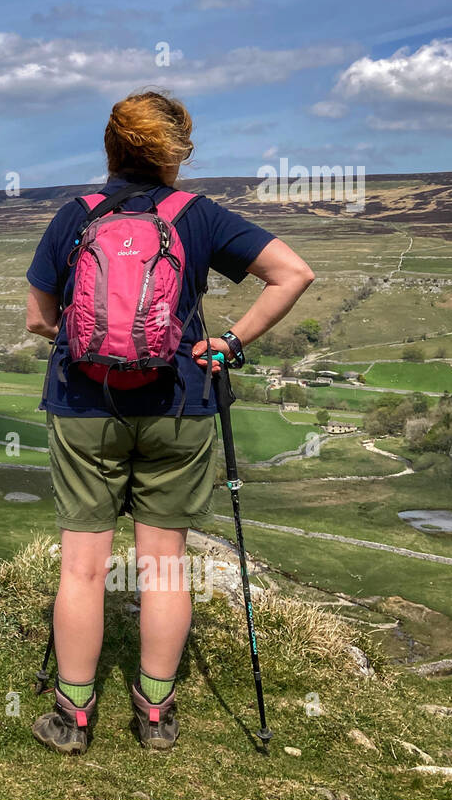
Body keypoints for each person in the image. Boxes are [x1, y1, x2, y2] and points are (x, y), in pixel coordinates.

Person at [24, 91, 314, 753]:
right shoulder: (198, 217)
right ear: (176, 155)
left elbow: (40, 318)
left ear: (110, 150)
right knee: (163, 565)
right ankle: (155, 714)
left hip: (84, 403)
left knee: (82, 569)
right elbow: (293, 273)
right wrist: (230, 342)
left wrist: (80, 338)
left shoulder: (76, 216)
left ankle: (72, 716)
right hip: (180, 404)